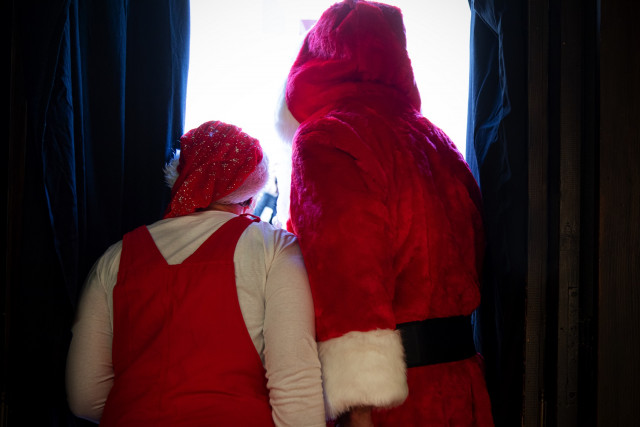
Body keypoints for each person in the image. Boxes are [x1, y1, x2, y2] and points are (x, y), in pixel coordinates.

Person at [277, 1, 494, 425]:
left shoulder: (327, 137)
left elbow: (348, 271)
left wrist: (358, 407)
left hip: (392, 404)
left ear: (317, 58)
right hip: (462, 385)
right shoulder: (437, 140)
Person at [66, 120, 326, 426]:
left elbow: (84, 396)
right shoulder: (275, 248)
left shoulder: (114, 258)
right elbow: (295, 386)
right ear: (251, 191)